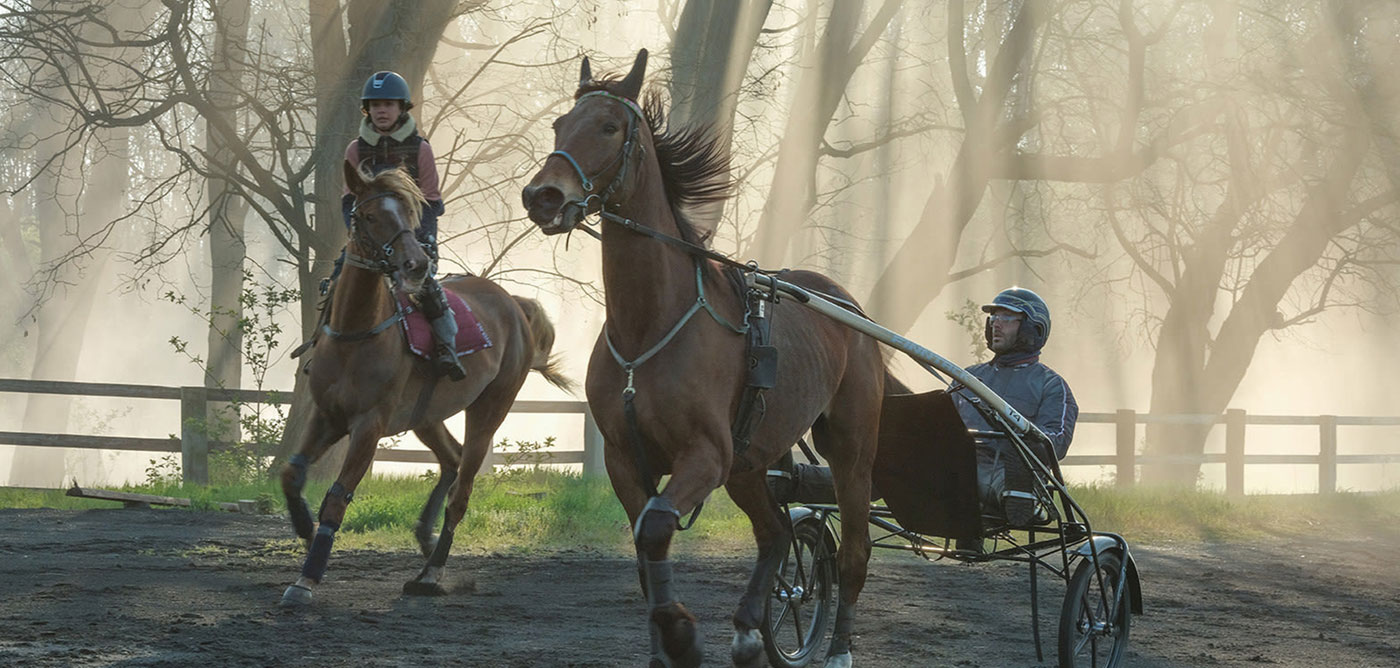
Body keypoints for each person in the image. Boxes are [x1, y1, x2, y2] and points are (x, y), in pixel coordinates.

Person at [771, 287, 1078, 530]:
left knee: (999, 477)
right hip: (953, 464)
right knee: (881, 472)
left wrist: (1017, 445)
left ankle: (1019, 498)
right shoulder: (970, 377)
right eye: (994, 318)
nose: (996, 323)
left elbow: (1056, 442)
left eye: (1007, 318)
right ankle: (792, 479)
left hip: (1006, 471)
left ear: (1032, 329)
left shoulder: (1052, 386)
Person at [295, 70, 464, 380]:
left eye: (388, 104)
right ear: (367, 109)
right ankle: (320, 348)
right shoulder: (355, 150)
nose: (381, 111)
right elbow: (349, 201)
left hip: (411, 235)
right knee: (337, 284)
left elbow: (431, 201)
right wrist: (357, 234)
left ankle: (446, 349)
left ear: (401, 108)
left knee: (427, 289)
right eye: (375, 105)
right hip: (370, 237)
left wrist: (422, 240)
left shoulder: (420, 149)